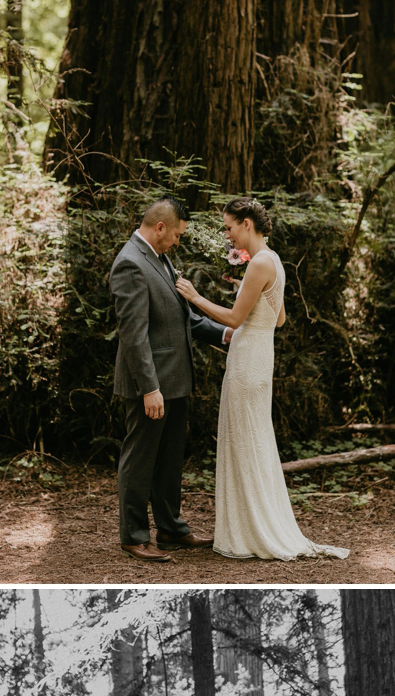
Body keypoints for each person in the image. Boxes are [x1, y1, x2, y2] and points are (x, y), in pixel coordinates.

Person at [174, 198, 348, 563]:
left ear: (247, 223)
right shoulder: (274, 261)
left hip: (247, 359)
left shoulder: (259, 263)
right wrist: (248, 297)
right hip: (260, 356)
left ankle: (250, 531)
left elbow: (235, 319)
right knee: (253, 437)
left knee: (244, 438)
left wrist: (195, 297)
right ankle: (254, 523)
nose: (226, 234)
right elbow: (279, 318)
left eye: (229, 227)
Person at [108, 200, 197, 553]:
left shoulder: (159, 256)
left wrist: (224, 333)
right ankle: (134, 536)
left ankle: (171, 528)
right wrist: (150, 388)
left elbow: (176, 316)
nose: (177, 242)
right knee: (140, 459)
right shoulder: (129, 263)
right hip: (151, 384)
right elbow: (134, 334)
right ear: (160, 227)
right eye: (176, 235)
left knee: (170, 458)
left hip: (175, 379)